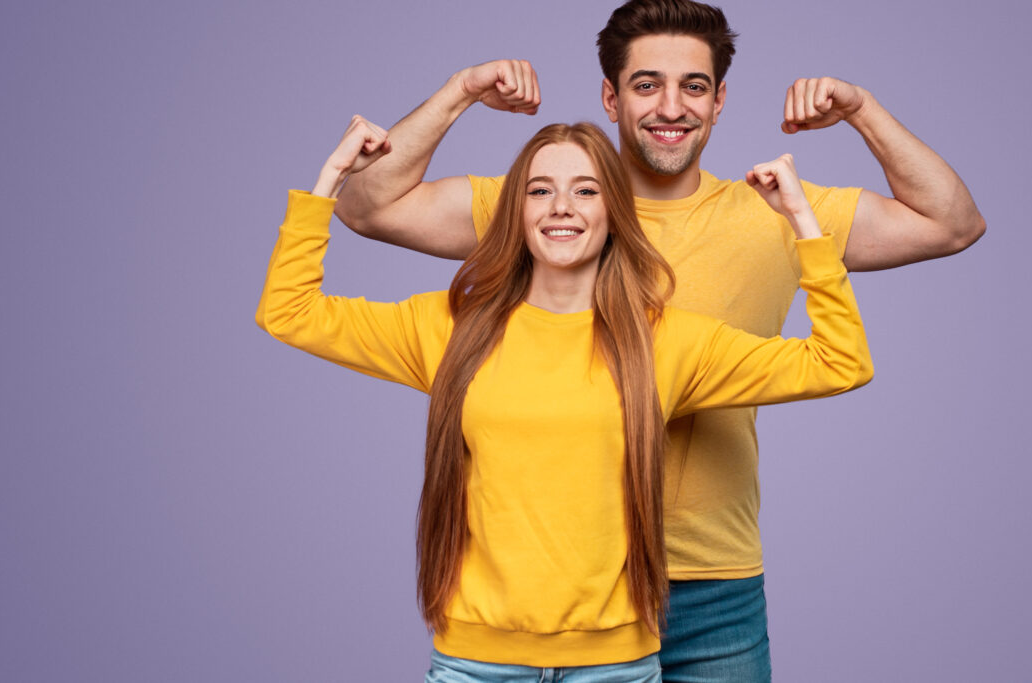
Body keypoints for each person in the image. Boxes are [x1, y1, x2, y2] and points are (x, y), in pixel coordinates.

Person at [333, 2, 980, 678]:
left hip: (711, 585)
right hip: (560, 594)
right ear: (610, 97)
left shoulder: (775, 215)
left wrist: (862, 110)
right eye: (646, 84)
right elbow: (365, 204)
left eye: (693, 86)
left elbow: (952, 222)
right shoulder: (549, 208)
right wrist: (460, 91)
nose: (670, 106)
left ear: (720, 100)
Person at [257, 118, 871, 680]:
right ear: (516, 211)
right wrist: (330, 179)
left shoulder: (668, 341)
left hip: (615, 666)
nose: (561, 208)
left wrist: (801, 221)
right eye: (539, 190)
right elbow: (289, 312)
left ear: (613, 211)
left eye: (585, 190)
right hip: (477, 663)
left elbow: (840, 362)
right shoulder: (448, 328)